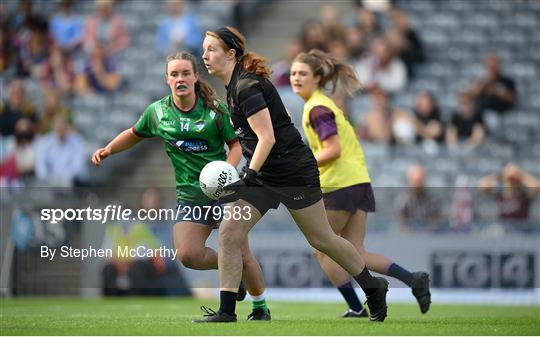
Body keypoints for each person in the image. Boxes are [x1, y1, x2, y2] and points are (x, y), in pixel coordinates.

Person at [196, 26, 389, 323]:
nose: (205, 54)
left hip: (292, 172)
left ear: (231, 53)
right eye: (204, 48)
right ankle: (227, 311)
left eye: (212, 49)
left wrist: (247, 175)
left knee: (322, 239)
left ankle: (373, 287)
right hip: (264, 175)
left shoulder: (246, 87)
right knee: (230, 232)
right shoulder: (235, 87)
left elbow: (267, 138)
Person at [91, 52, 270, 320]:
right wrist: (108, 149)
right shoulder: (158, 112)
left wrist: (227, 170)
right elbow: (133, 134)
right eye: (174, 74)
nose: (180, 79)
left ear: (196, 76)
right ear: (167, 80)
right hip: (190, 196)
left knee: (241, 253)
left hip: (224, 191)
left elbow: (235, 146)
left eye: (185, 73)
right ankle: (236, 277)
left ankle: (260, 308)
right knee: (188, 255)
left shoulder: (215, 109)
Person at [290, 49, 431, 317]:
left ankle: (356, 306)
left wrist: (300, 167)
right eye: (294, 73)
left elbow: (332, 149)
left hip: (339, 185)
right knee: (355, 252)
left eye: (303, 73)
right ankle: (414, 279)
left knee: (322, 248)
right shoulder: (323, 104)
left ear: (317, 77)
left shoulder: (317, 108)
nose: (296, 78)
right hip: (358, 182)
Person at [478, 163, 540, 228]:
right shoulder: (500, 195)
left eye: (515, 181)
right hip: (504, 230)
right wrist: (500, 175)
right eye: (509, 181)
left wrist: (521, 175)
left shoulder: (524, 196)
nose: (511, 184)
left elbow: (538, 187)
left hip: (522, 230)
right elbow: (482, 186)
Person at [396, 165, 442, 234]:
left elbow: (435, 222)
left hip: (429, 238)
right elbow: (401, 222)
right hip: (409, 238)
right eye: (415, 181)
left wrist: (428, 232)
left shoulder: (432, 200)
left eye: (420, 181)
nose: (418, 184)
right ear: (410, 181)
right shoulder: (403, 199)